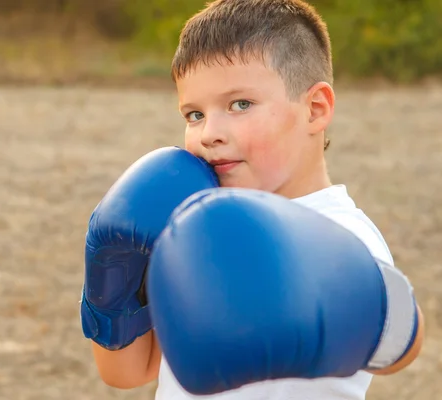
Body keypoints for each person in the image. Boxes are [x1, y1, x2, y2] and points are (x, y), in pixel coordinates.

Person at [79, 1, 425, 399]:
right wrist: (112, 283)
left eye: (240, 104)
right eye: (194, 114)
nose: (210, 133)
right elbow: (128, 372)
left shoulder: (342, 232)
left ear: (315, 109)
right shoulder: (195, 227)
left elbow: (401, 344)